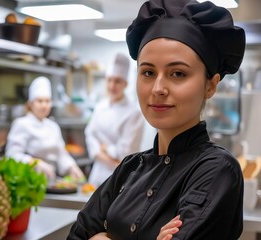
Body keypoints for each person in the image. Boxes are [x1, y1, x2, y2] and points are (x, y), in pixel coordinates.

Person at [67, 0, 246, 239]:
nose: (158, 88)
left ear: (210, 86)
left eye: (178, 73)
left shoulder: (217, 171)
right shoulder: (130, 168)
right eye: (148, 72)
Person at [5, 76, 84, 181]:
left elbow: (61, 154)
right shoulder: (21, 124)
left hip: (51, 180)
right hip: (29, 181)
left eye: (47, 101)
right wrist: (35, 163)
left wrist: (72, 167)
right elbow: (12, 155)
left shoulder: (53, 126)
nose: (44, 105)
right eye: (40, 101)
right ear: (31, 103)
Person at [85, 53, 144, 187]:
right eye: (109, 80)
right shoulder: (100, 107)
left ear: (126, 84)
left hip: (121, 179)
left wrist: (105, 148)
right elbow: (90, 135)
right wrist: (108, 154)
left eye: (117, 81)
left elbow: (125, 153)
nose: (112, 85)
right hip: (96, 177)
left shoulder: (134, 112)